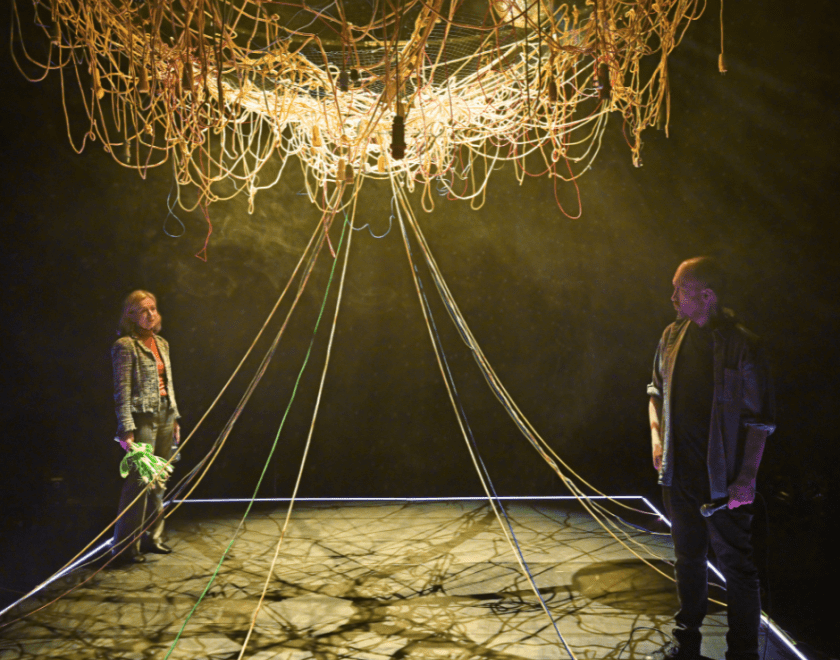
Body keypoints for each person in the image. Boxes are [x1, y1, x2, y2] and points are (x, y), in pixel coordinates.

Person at [647, 257, 775, 660]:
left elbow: (761, 421)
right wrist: (656, 441)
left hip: (722, 481)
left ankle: (743, 652)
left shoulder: (742, 345)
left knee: (737, 567)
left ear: (707, 295)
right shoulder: (670, 336)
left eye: (681, 289)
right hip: (678, 476)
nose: (673, 297)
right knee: (688, 560)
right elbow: (654, 390)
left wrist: (747, 478)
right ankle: (687, 644)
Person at [112, 290, 181, 564]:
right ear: (131, 315)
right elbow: (122, 391)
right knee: (140, 482)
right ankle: (125, 547)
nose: (150, 315)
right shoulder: (124, 346)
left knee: (159, 482)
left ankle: (154, 539)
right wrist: (125, 429)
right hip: (142, 420)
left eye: (153, 309)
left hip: (165, 415)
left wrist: (174, 417)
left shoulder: (162, 343)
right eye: (143, 310)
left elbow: (170, 384)